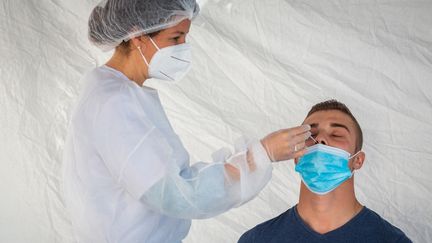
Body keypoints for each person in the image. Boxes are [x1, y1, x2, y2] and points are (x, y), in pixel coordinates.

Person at [62, 0, 311, 242]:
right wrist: (262, 154)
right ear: (138, 36)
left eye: (184, 37)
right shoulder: (114, 103)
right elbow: (176, 195)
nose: (182, 47)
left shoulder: (113, 91)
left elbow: (170, 183)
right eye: (175, 38)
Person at [238, 99, 412, 243]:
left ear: (358, 160)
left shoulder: (392, 240)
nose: (320, 139)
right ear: (296, 157)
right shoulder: (256, 240)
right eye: (310, 135)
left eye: (336, 135)